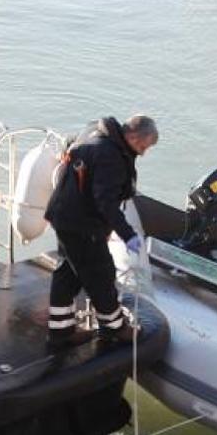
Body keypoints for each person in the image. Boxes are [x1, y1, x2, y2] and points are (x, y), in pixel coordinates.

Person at [44, 114, 158, 349]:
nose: (143, 153)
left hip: (63, 214)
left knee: (67, 272)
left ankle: (60, 331)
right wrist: (128, 235)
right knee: (100, 273)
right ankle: (115, 328)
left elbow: (70, 147)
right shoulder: (111, 158)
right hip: (81, 223)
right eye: (142, 147)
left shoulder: (94, 131)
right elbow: (105, 202)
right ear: (133, 136)